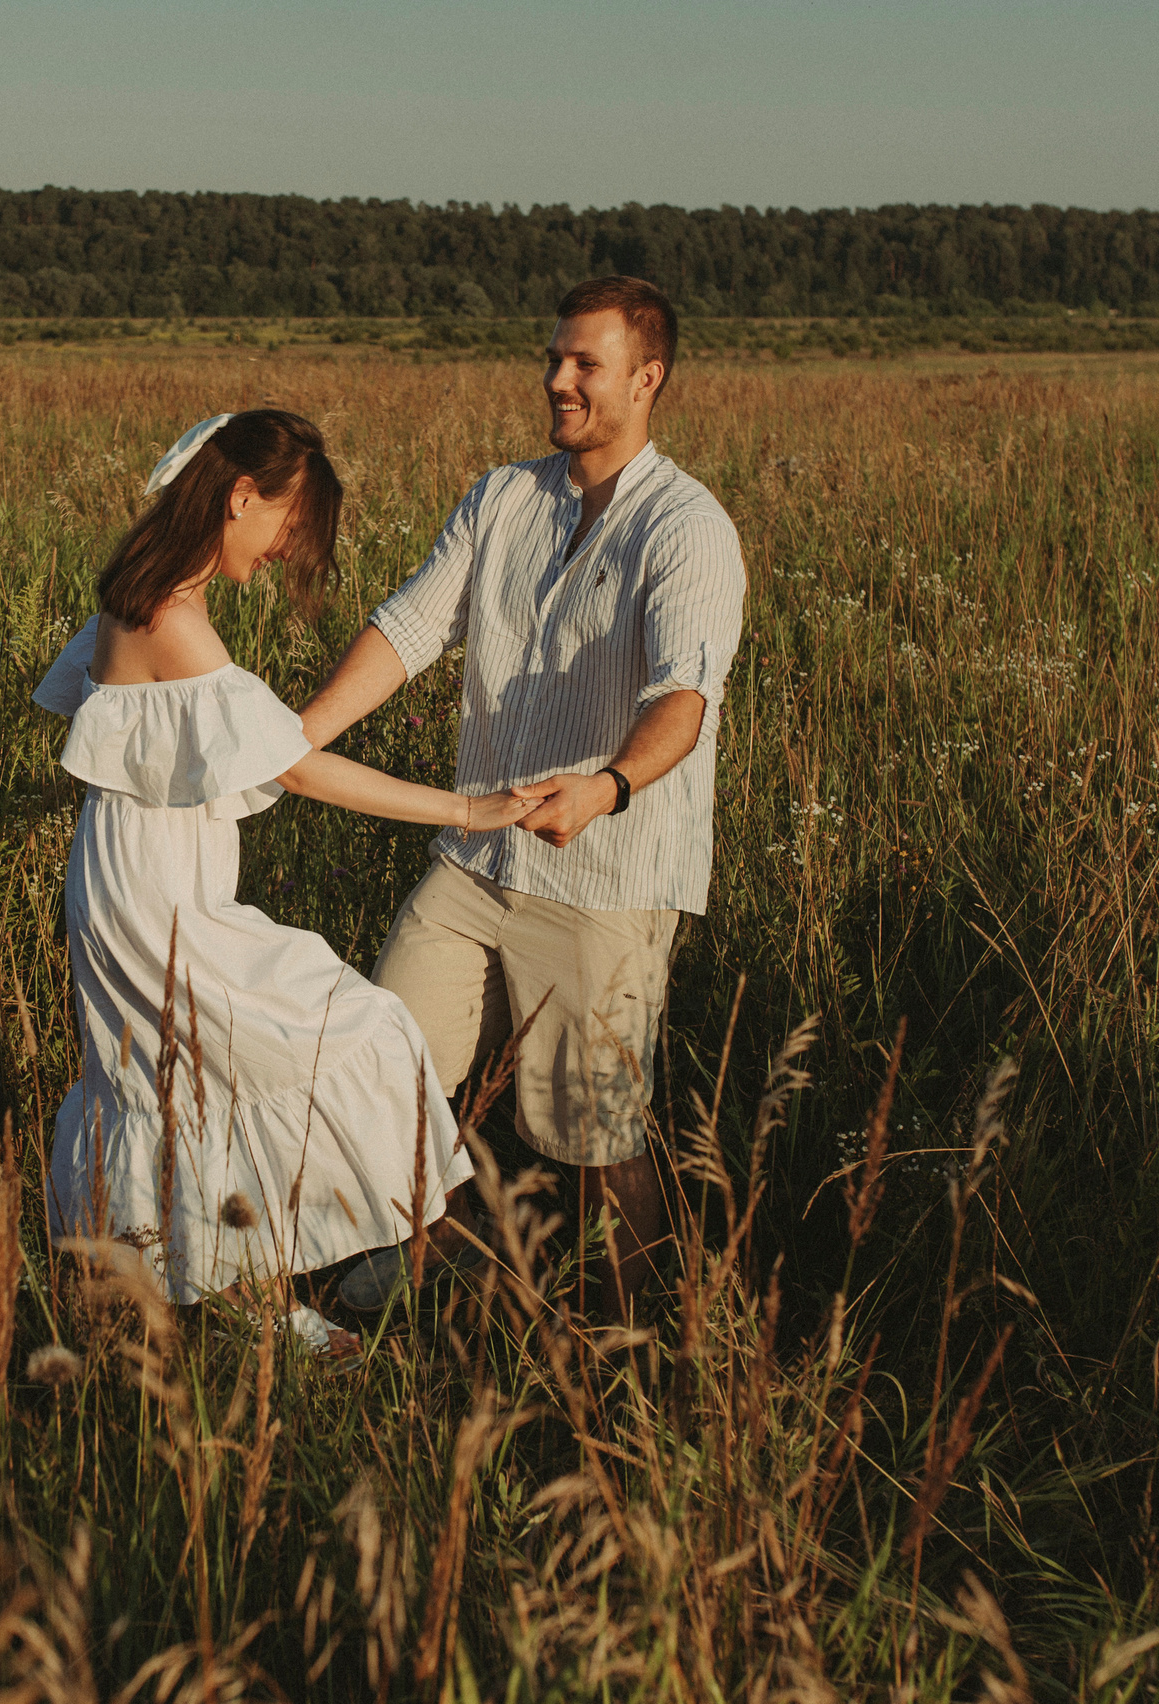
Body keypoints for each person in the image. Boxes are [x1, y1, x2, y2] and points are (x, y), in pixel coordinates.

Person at [32, 408, 538, 1351]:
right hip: (158, 893)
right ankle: (381, 1259)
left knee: (203, 1080)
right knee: (355, 1032)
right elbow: (295, 765)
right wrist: (469, 809)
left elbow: (112, 725)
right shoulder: (171, 619)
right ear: (239, 497)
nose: (286, 548)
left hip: (134, 873)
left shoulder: (143, 594)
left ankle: (262, 1310)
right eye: (287, 525)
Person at [300, 276, 747, 1322]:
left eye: (582, 363)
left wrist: (605, 785)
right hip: (478, 862)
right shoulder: (503, 496)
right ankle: (443, 1252)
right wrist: (298, 737)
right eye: (552, 359)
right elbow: (412, 626)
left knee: (593, 1135)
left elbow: (685, 699)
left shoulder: (687, 529)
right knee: (380, 1070)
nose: (556, 379)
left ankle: (627, 1348)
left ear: (647, 380)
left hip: (605, 879)